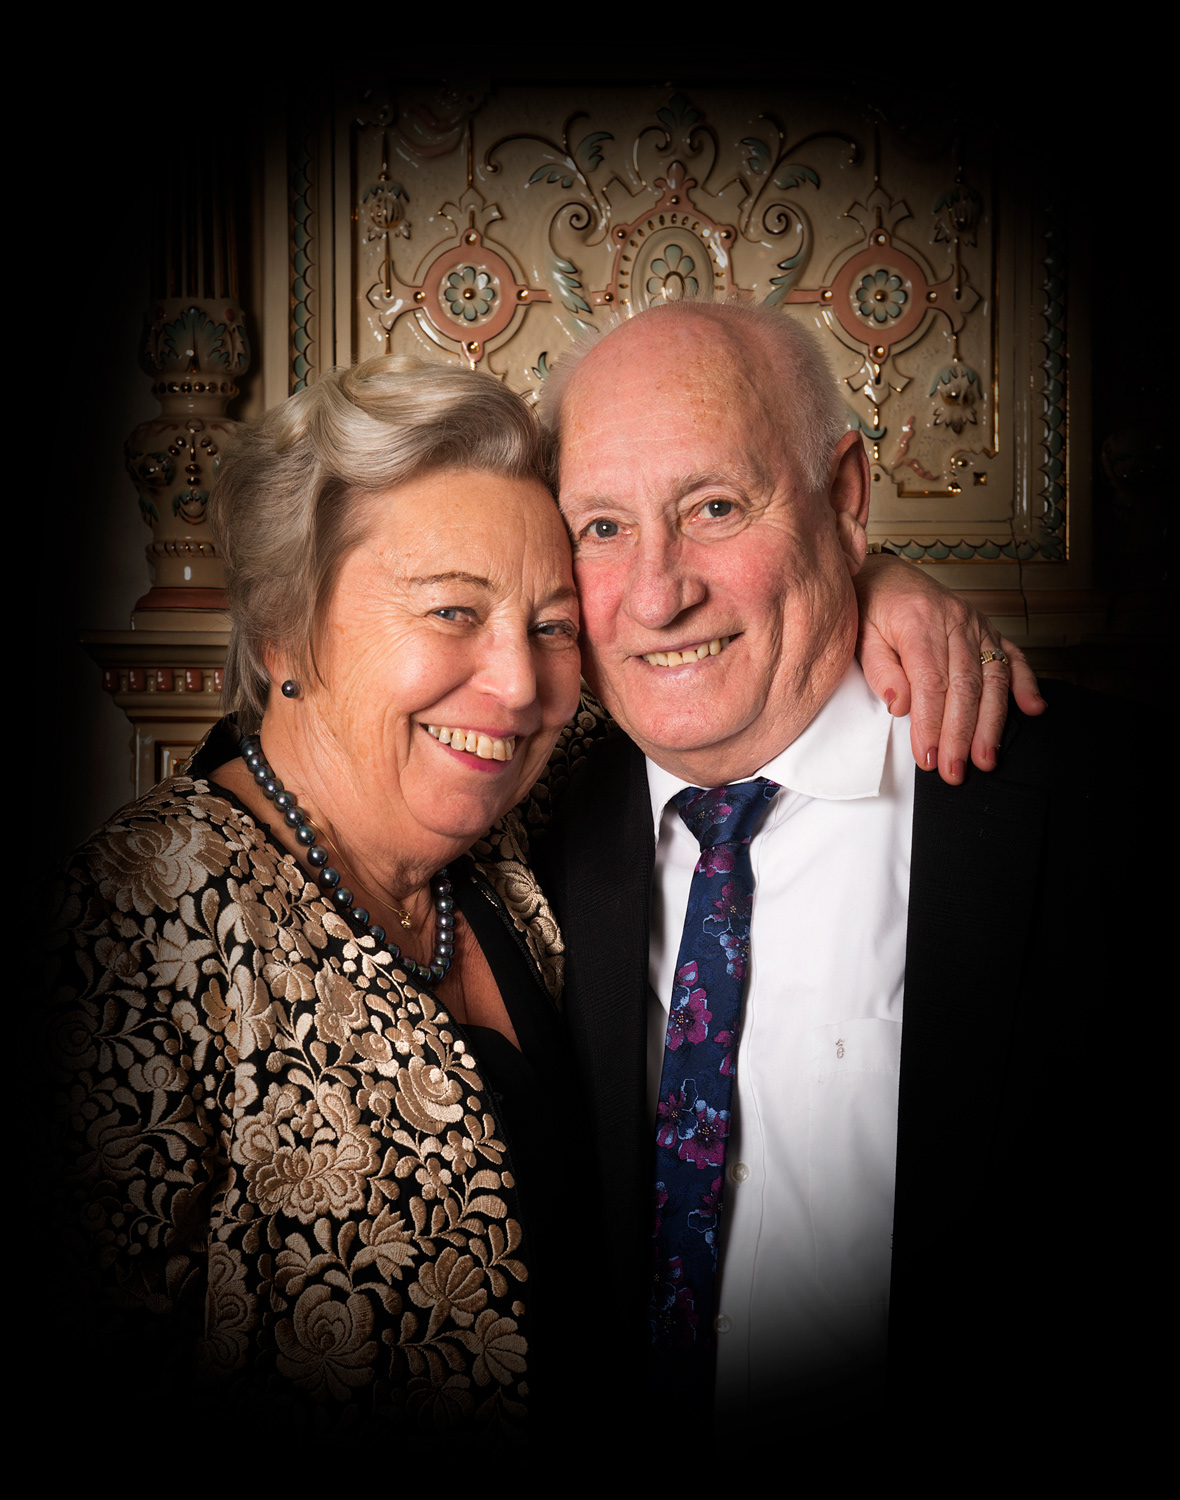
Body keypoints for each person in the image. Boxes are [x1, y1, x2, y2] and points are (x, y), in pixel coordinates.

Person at [45, 349, 1031, 1443]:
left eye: (552, 625)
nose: (517, 686)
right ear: (286, 627)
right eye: (450, 612)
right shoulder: (135, 923)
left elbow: (714, 647)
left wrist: (868, 577)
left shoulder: (518, 820)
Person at [534, 299, 1128, 1435]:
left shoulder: (1102, 806)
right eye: (602, 527)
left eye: (715, 508)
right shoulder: (520, 806)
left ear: (846, 497)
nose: (657, 594)